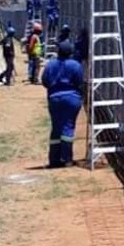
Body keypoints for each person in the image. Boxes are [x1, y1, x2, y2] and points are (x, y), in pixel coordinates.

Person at [41, 39, 84, 168]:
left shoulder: (50, 65)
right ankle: (67, 159)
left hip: (54, 98)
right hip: (72, 98)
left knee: (56, 127)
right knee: (68, 127)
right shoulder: (75, 65)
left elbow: (45, 81)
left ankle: (54, 159)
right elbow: (79, 81)